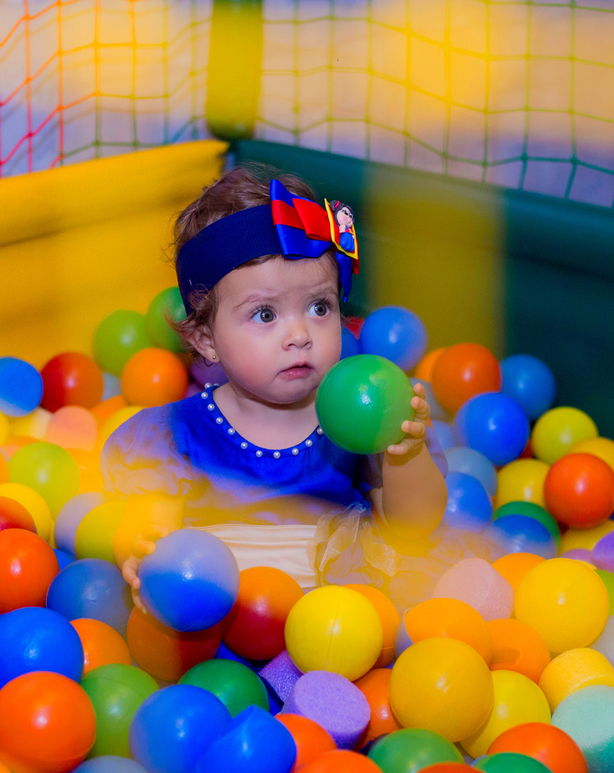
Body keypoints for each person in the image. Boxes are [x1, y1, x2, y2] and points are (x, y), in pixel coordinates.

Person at [101, 165, 449, 608]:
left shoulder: (363, 419)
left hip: (338, 619)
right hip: (216, 618)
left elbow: (414, 526)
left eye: (319, 307)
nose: (300, 334)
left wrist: (406, 454)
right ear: (207, 339)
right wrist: (138, 544)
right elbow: (149, 527)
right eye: (265, 315)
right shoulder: (175, 433)